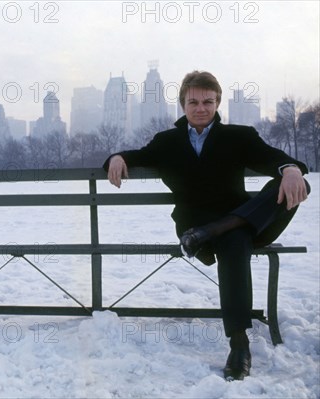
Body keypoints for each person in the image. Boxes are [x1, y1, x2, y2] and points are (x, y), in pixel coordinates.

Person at [103, 71, 310, 381]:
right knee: (236, 240)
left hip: (236, 222)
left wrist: (291, 168)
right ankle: (238, 342)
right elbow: (138, 155)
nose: (201, 108)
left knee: (295, 185)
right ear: (183, 104)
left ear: (218, 103)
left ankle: (238, 343)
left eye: (208, 102)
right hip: (196, 226)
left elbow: (270, 157)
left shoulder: (239, 136)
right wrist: (116, 157)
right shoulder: (167, 141)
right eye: (194, 102)